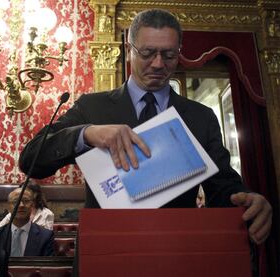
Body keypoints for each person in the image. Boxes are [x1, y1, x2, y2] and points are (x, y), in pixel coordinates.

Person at [19, 9, 272, 245]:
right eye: (148, 53)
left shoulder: (200, 117)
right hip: (107, 252)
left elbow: (223, 188)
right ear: (130, 49)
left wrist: (248, 201)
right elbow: (31, 159)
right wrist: (87, 133)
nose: (159, 64)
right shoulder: (92, 107)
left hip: (176, 252)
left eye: (169, 55)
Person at [0, 187, 55, 256]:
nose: (21, 205)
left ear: (32, 205)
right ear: (8, 207)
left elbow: (47, 267)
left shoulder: (46, 236)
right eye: (15, 201)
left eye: (26, 201)